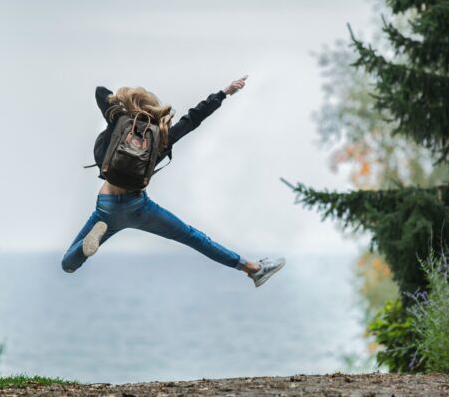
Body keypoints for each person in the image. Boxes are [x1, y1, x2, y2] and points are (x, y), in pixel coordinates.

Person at [61, 76, 285, 287]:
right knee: (194, 238)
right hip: (138, 207)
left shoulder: (119, 122)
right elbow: (193, 118)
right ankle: (253, 269)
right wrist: (224, 93)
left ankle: (86, 246)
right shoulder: (160, 137)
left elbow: (100, 92)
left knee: (68, 265)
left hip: (106, 206)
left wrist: (123, 108)